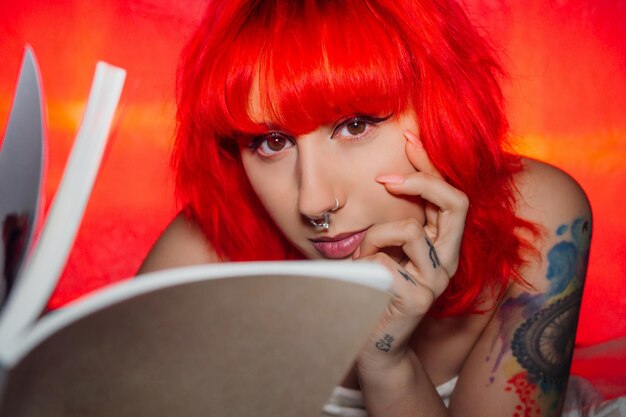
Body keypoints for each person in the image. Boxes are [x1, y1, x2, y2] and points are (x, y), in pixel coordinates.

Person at [139, 0, 592, 416]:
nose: (313, 201)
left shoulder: (538, 220)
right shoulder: (201, 261)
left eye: (355, 126)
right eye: (271, 142)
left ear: (443, 104)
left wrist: (387, 362)